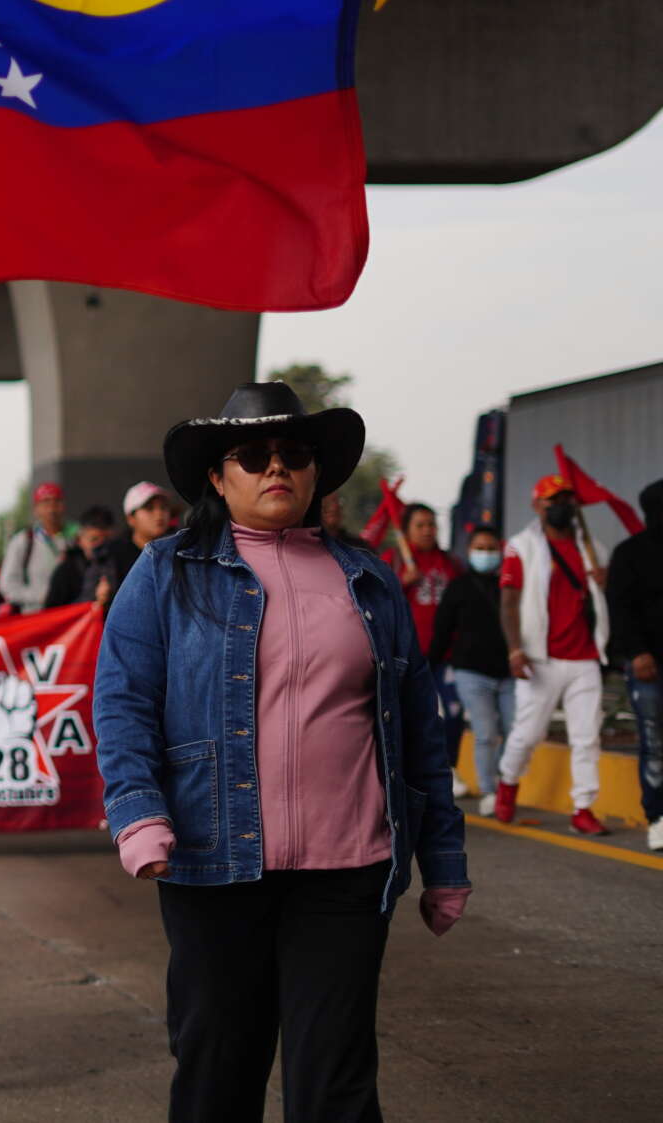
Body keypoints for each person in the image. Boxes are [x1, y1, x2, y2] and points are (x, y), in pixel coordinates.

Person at [95, 382, 467, 1123]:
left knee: (337, 1081)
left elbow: (418, 728)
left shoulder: (369, 580)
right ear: (216, 474)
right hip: (213, 860)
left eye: (294, 453)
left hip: (348, 870)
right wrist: (138, 814)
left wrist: (444, 860)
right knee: (217, 1072)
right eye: (253, 453)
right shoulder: (168, 571)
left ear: (316, 472)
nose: (276, 467)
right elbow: (123, 699)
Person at [491, 475, 614, 834]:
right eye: (552, 500)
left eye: (565, 500)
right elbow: (509, 601)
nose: (560, 506)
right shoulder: (521, 546)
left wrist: (603, 580)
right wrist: (515, 649)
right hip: (540, 657)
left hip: (584, 657)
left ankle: (583, 807)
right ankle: (508, 784)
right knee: (528, 733)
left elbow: (602, 599)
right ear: (537, 505)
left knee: (587, 735)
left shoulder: (593, 548)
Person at [431, 522, 517, 818]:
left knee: (514, 731)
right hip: (470, 672)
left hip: (509, 673)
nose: (486, 554)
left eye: (491, 549)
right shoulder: (458, 587)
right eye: (480, 549)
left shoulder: (511, 585)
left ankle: (507, 786)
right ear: (469, 551)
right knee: (485, 733)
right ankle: (489, 791)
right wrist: (429, 666)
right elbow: (442, 630)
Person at [605, 480, 663, 851]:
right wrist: (638, 652)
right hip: (648, 667)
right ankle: (658, 817)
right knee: (655, 742)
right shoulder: (630, 553)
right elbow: (620, 610)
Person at [392, 503, 466, 790]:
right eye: (420, 525)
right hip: (408, 654)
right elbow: (379, 600)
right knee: (408, 714)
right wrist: (402, 582)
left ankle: (449, 767)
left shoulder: (451, 564)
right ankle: (406, 770)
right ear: (408, 529)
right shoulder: (395, 560)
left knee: (453, 711)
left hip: (446, 654)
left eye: (432, 525)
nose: (427, 531)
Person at [94, 483, 178, 610]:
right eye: (149, 508)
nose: (159, 514)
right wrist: (99, 599)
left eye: (163, 507)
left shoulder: (181, 551)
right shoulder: (110, 556)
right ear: (130, 518)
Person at [0, 484, 71, 613]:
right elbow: (7, 585)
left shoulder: (74, 539)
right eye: (46, 503)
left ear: (64, 506)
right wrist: (41, 597)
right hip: (34, 618)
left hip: (70, 619)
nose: (52, 509)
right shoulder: (23, 541)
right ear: (36, 509)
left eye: (57, 502)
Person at [45, 506, 111, 609]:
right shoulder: (65, 571)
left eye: (106, 539)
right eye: (94, 540)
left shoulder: (120, 562)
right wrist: (92, 602)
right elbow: (53, 614)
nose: (101, 546)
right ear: (80, 540)